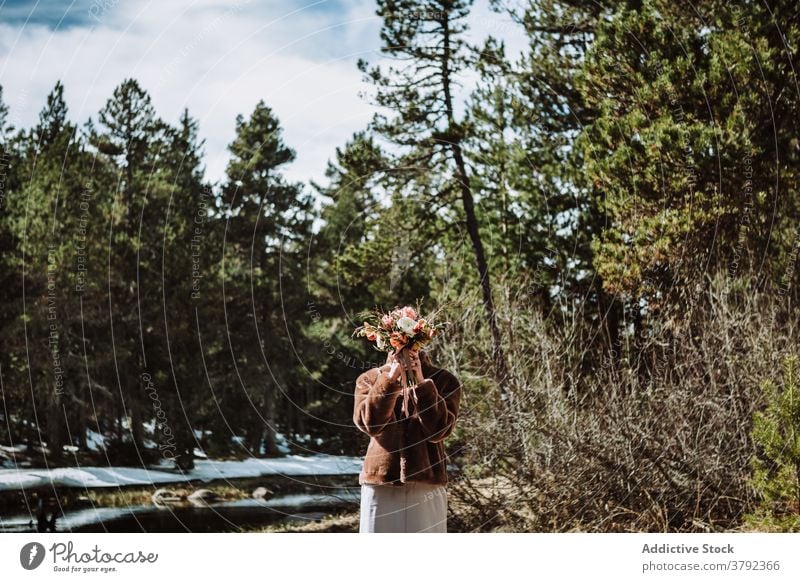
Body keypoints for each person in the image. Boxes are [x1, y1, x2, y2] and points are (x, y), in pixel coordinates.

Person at [353, 344, 462, 532]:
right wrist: (389, 381)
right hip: (380, 483)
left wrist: (421, 384)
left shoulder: (444, 380)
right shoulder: (369, 379)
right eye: (398, 342)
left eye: (411, 342)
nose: (405, 348)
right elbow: (370, 425)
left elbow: (439, 431)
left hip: (426, 484)